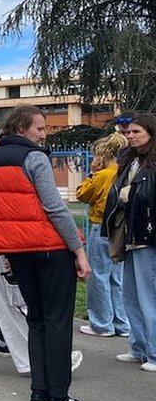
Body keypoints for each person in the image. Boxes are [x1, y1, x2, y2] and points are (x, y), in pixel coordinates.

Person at [0, 105, 90, 401]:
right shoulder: (34, 157)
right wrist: (78, 249)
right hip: (50, 249)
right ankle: (59, 397)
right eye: (40, 128)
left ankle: (38, 394)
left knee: (36, 320)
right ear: (22, 128)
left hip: (18, 253)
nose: (44, 134)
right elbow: (54, 207)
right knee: (57, 322)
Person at [103, 113, 156, 371]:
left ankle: (155, 353)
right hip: (128, 234)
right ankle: (138, 347)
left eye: (136, 132)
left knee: (150, 296)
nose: (130, 136)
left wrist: (129, 194)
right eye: (128, 132)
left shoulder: (152, 164)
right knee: (131, 296)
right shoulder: (129, 161)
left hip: (148, 235)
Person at [77, 132, 131, 337]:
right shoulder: (126, 172)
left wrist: (92, 174)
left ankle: (101, 323)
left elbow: (82, 194)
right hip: (121, 228)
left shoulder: (103, 174)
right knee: (117, 278)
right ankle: (122, 323)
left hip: (101, 225)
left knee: (99, 276)